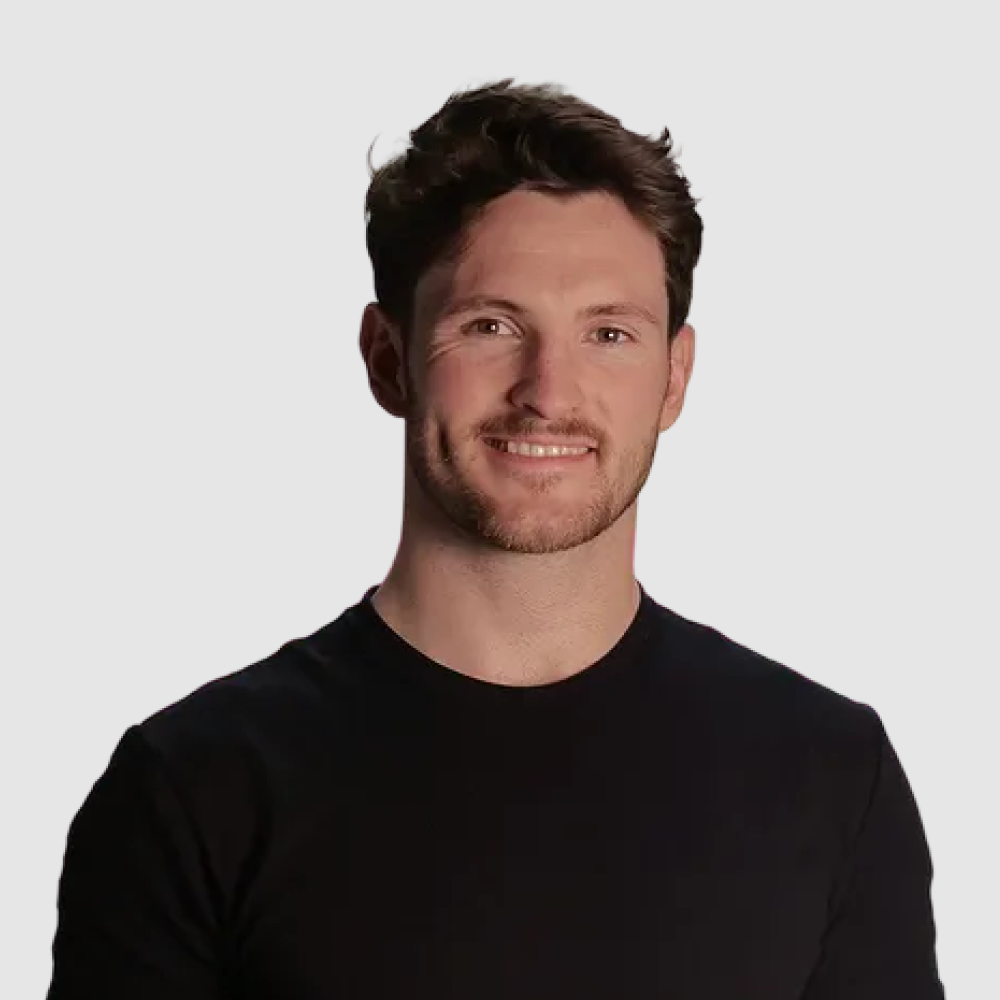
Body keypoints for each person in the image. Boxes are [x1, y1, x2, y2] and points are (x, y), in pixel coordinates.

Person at [46, 78, 946, 999]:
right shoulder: (194, 789)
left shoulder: (829, 775)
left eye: (609, 333)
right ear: (388, 359)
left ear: (675, 377)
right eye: (490, 325)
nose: (548, 392)